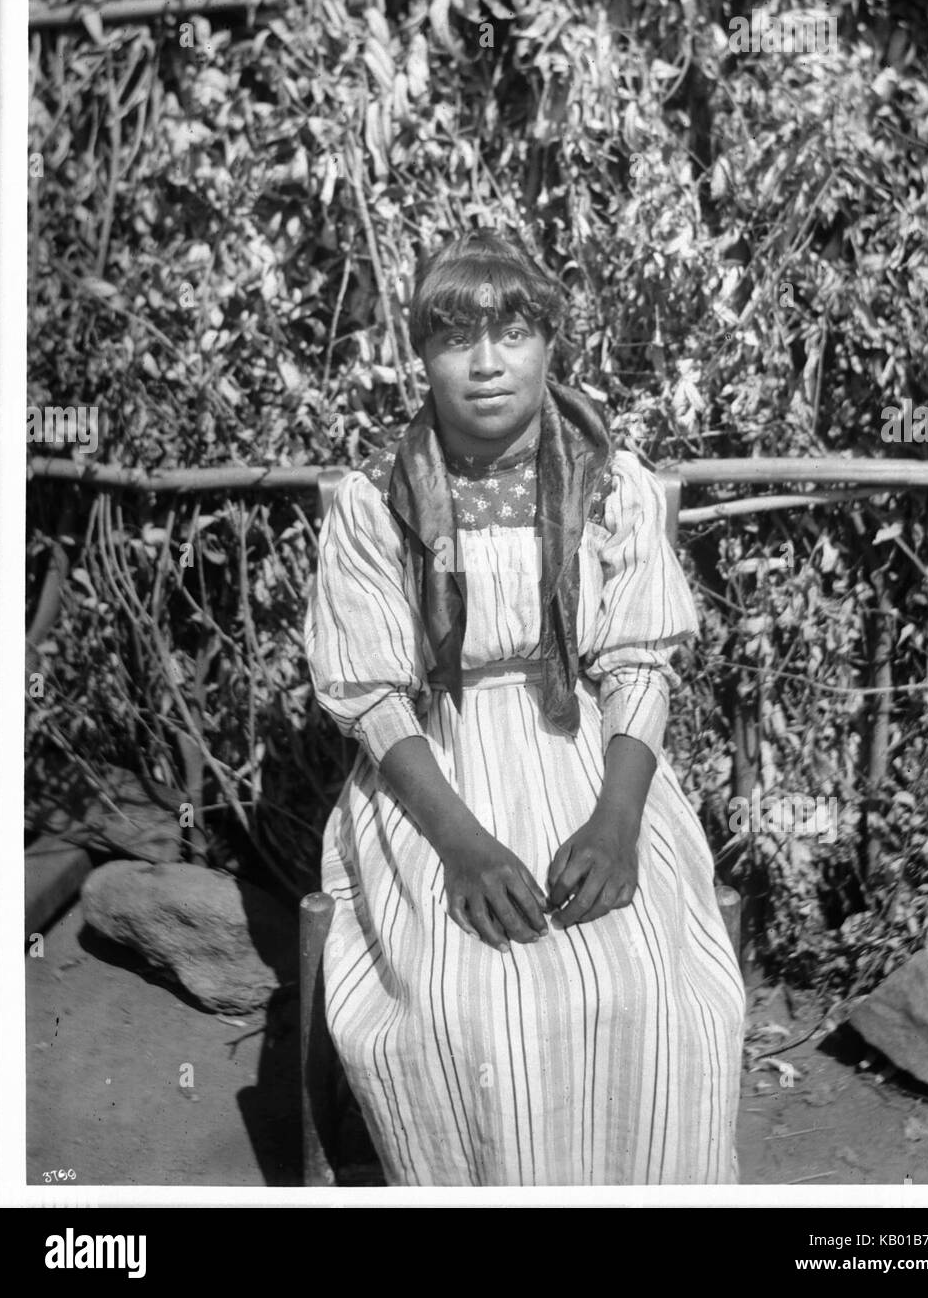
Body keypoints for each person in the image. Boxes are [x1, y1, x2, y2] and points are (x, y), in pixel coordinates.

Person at [304, 230, 745, 1186]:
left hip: (592, 756)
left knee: (654, 991)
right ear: (420, 357)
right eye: (456, 338)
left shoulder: (606, 485)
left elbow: (637, 661)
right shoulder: (373, 502)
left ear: (551, 343)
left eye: (513, 332)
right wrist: (462, 847)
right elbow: (373, 695)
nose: (488, 362)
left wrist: (618, 823)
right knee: (469, 1008)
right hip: (431, 769)